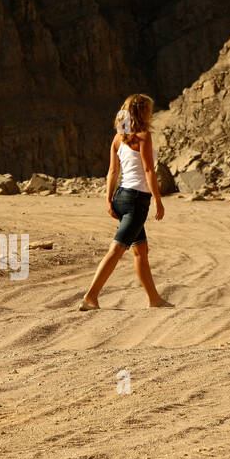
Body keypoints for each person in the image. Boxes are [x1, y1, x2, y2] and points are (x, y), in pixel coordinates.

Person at [78, 93, 171, 310]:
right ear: (142, 112)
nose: (152, 113)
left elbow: (112, 171)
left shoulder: (118, 138)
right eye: (149, 109)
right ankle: (90, 296)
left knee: (141, 251)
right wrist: (158, 199)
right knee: (117, 250)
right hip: (137, 201)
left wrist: (109, 200)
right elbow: (149, 170)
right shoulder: (143, 137)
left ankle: (154, 299)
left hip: (121, 197)